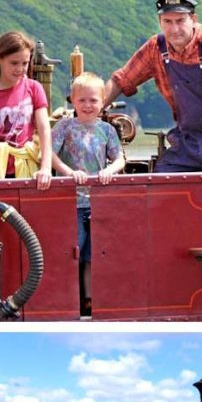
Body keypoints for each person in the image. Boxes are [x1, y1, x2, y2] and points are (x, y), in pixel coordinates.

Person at [103, 0, 202, 307]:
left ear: (193, 20)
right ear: (160, 22)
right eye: (167, 22)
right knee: (160, 194)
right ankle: (174, 285)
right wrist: (88, 110)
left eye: (180, 21)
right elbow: (122, 78)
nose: (174, 29)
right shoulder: (156, 48)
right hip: (187, 139)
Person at [52, 72, 126, 315]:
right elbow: (49, 155)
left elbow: (119, 159)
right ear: (73, 100)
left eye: (93, 100)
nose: (87, 105)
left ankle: (90, 300)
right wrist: (67, 172)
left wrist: (109, 171)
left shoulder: (107, 130)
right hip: (69, 202)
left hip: (98, 203)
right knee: (71, 252)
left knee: (94, 255)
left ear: (102, 101)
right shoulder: (64, 126)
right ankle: (68, 299)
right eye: (82, 100)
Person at [0, 31, 53, 192]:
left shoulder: (34, 88)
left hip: (27, 166)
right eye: (14, 63)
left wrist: (46, 168)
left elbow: (44, 130)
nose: (20, 69)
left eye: (25, 63)